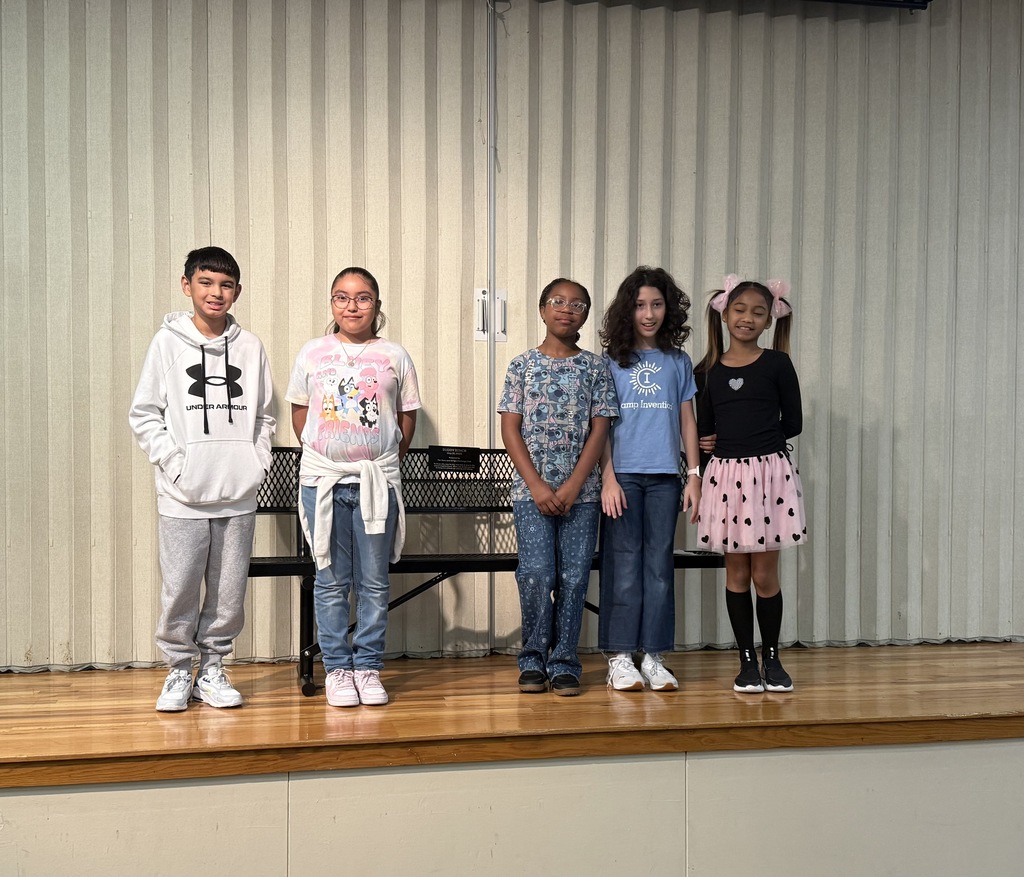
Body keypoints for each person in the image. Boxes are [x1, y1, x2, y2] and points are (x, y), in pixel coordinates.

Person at [129, 246, 276, 712]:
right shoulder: (166, 344)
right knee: (181, 587)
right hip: (182, 497)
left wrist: (256, 462)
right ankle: (178, 669)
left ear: (238, 291)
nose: (216, 293)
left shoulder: (251, 347)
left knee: (229, 591)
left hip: (238, 494)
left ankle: (212, 668)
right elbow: (144, 413)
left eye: (226, 285)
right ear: (186, 284)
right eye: (207, 282)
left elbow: (265, 417)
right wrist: (175, 465)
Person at [286, 267, 420, 708]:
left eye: (363, 298)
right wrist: (330, 455)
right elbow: (301, 414)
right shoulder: (312, 353)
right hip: (324, 481)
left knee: (375, 583)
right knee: (330, 581)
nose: (352, 306)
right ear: (332, 304)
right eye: (342, 297)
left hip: (374, 483)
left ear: (376, 306)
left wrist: (378, 462)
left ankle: (368, 667)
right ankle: (337, 669)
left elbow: (405, 418)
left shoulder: (394, 356)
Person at [498, 278, 618, 696]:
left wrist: (573, 486)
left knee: (573, 576)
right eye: (557, 301)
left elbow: (600, 428)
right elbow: (509, 427)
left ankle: (565, 659)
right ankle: (532, 657)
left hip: (581, 496)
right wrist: (536, 484)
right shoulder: (521, 365)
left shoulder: (595, 367)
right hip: (530, 494)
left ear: (586, 314)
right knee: (535, 573)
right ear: (542, 309)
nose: (567, 309)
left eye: (577, 304)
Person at [694, 274, 805, 693]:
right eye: (740, 310)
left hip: (769, 476)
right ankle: (745, 661)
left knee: (765, 574)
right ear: (724, 313)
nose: (747, 318)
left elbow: (792, 422)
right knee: (736, 573)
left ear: (770, 320)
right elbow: (703, 432)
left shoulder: (777, 364)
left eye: (758, 312)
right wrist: (710, 449)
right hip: (725, 478)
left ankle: (772, 658)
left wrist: (757, 440)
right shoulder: (707, 371)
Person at [597, 267, 701, 692]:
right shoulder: (611, 362)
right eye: (640, 305)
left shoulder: (678, 362)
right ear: (628, 309)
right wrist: (607, 477)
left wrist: (693, 475)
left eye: (657, 304)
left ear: (668, 309)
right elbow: (600, 423)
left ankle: (654, 656)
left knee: (659, 567)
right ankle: (620, 656)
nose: (649, 313)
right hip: (621, 478)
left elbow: (688, 421)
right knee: (622, 566)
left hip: (663, 480)